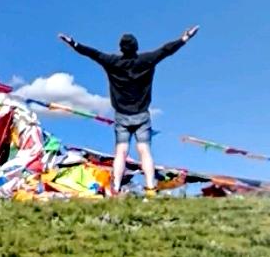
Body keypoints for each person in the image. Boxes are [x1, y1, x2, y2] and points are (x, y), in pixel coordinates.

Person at [57, 26, 199, 196]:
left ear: (121, 48)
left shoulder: (112, 62)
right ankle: (150, 188)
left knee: (121, 152)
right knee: (144, 151)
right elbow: (166, 50)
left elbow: (93, 54)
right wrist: (185, 38)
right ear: (136, 47)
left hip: (122, 116)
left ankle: (116, 188)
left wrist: (73, 43)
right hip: (142, 115)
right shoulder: (146, 60)